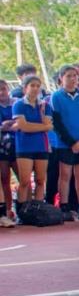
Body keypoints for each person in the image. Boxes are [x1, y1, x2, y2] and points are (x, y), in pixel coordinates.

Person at [49, 65, 79, 221]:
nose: (72, 79)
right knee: (65, 174)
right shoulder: (56, 97)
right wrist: (71, 142)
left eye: (75, 75)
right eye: (68, 76)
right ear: (61, 78)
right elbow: (57, 123)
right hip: (65, 143)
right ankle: (64, 206)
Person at [11, 75, 53, 220]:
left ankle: (38, 209)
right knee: (24, 181)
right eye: (32, 85)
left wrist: (41, 125)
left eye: (37, 85)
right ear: (25, 88)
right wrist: (42, 126)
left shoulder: (44, 106)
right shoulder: (18, 105)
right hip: (24, 147)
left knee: (41, 180)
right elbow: (23, 126)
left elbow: (49, 126)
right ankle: (22, 212)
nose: (35, 89)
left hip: (41, 146)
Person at [0, 79, 15, 227]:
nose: (1, 93)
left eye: (3, 89)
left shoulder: (15, 103)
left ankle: (17, 210)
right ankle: (6, 210)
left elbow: (19, 123)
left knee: (23, 179)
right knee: (4, 179)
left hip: (17, 146)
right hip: (2, 147)